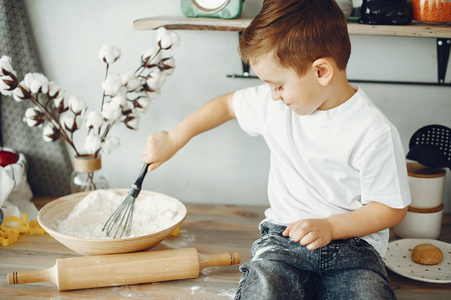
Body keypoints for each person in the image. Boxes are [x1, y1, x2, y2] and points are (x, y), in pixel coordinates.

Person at [141, 0, 411, 298]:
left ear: (321, 72)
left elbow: (390, 207)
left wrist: (331, 227)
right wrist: (173, 139)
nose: (272, 96)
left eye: (279, 86)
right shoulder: (277, 106)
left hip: (354, 248)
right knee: (264, 289)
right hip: (284, 239)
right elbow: (225, 106)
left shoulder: (374, 131)